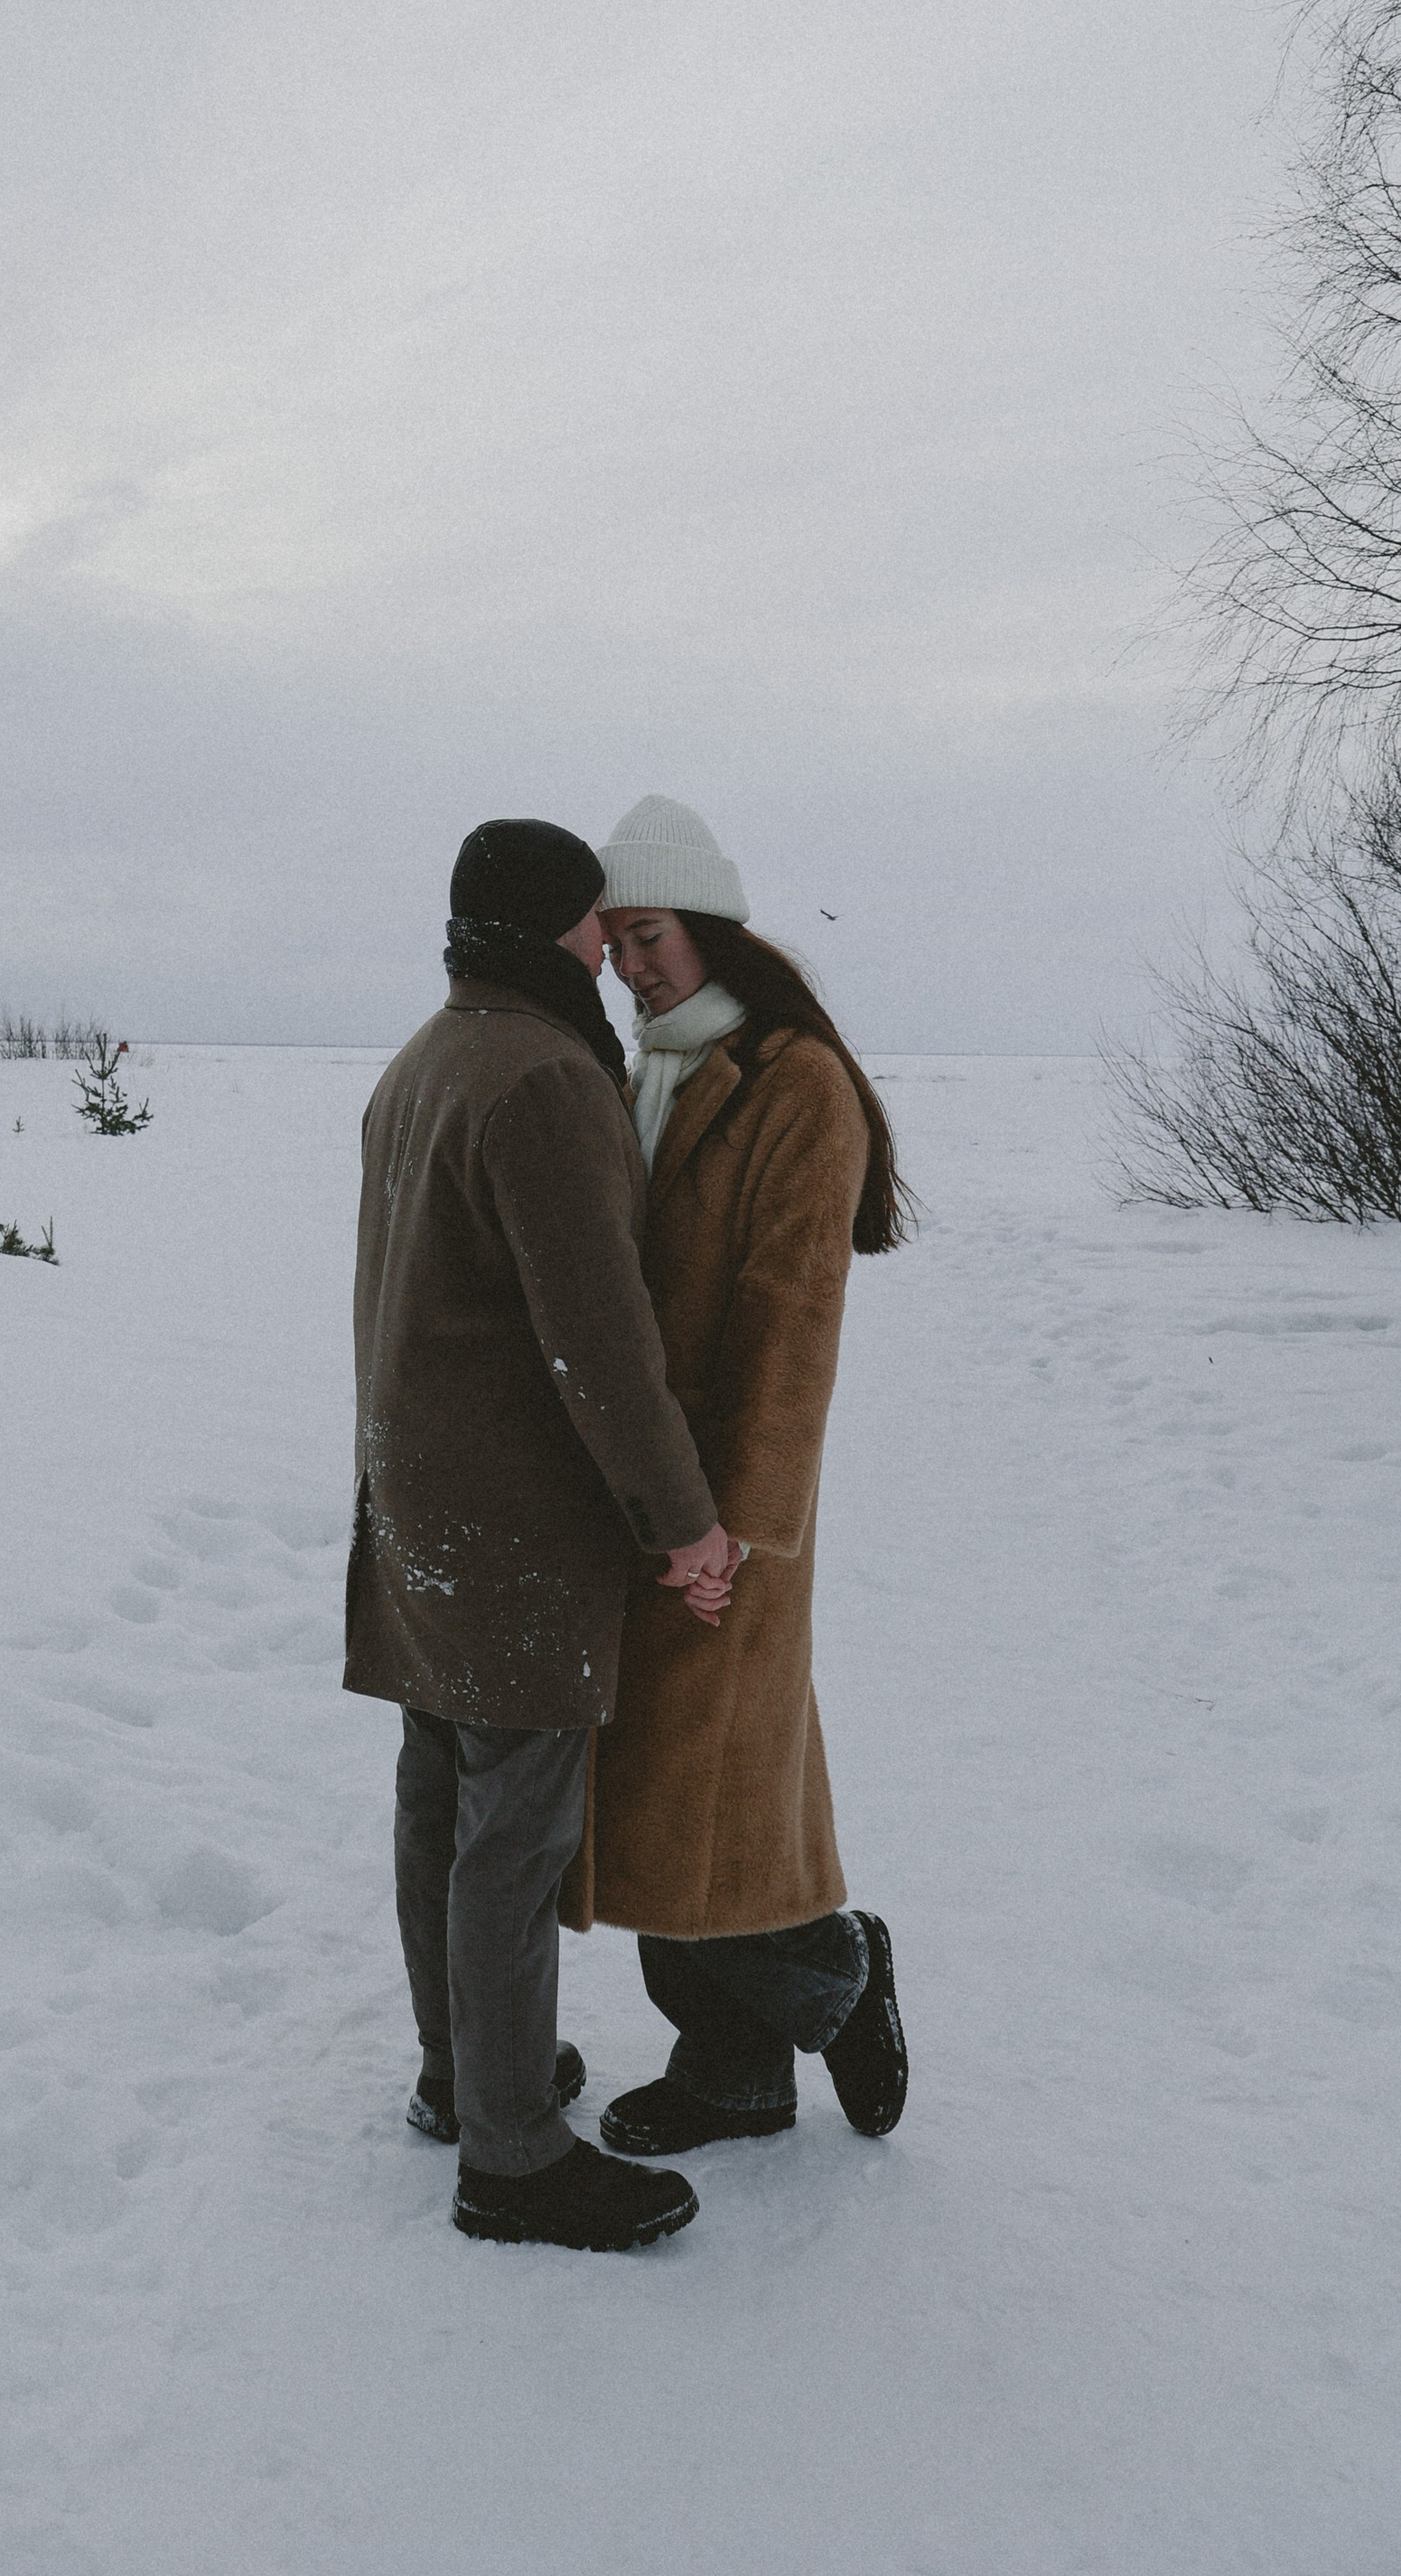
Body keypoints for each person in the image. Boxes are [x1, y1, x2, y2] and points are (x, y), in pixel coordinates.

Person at [348, 817, 742, 2252]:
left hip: (420, 1505)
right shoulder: (544, 1080)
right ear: (546, 930)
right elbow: (602, 1346)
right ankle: (513, 2160)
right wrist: (683, 1524)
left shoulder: (427, 1058)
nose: (606, 947)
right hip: (514, 1524)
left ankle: (466, 2079)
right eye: (592, 922)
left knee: (440, 1801)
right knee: (511, 1835)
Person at [564, 793, 911, 2156]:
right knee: (665, 1784)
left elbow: (791, 1323)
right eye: (617, 941)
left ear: (707, 927)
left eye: (649, 936)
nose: (633, 965)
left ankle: (837, 1973)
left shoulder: (793, 1085)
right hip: (646, 1496)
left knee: (707, 1780)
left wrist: (735, 1531)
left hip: (727, 1512)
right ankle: (734, 2074)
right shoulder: (642, 1067)